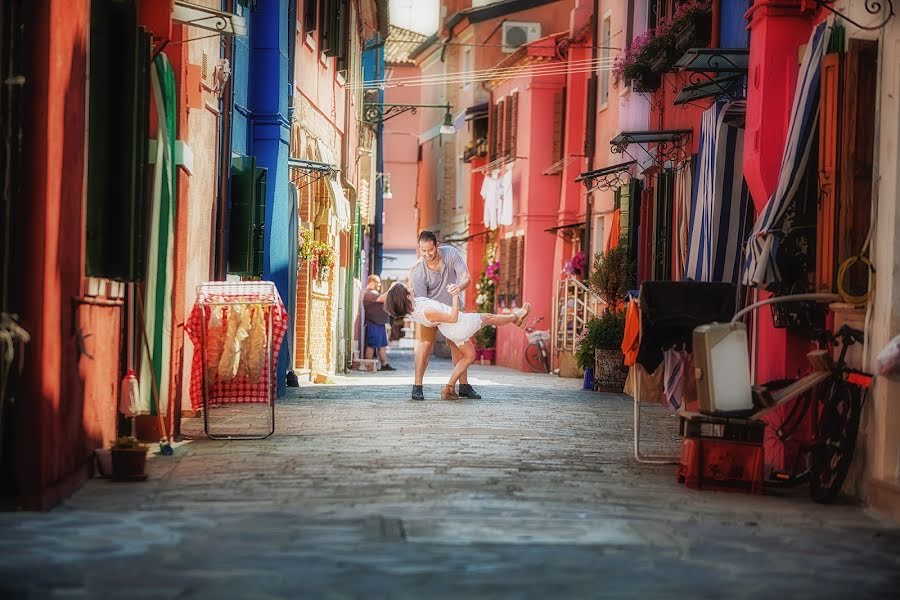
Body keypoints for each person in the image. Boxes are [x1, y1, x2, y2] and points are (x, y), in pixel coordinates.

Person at [384, 283, 531, 400]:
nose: (410, 287)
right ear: (407, 297)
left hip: (452, 330)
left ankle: (450, 388)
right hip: (458, 324)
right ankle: (517, 316)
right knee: (489, 317)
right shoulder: (425, 311)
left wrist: (395, 292)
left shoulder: (413, 308)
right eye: (407, 288)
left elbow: (394, 295)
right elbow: (453, 317)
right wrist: (455, 296)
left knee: (469, 355)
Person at [407, 230, 475, 401]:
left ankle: (464, 387)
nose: (427, 254)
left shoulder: (450, 253)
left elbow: (466, 276)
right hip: (431, 312)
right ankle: (417, 386)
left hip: (452, 308)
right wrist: (434, 317)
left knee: (457, 345)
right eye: (423, 251)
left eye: (430, 250)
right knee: (426, 344)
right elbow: (421, 301)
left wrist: (459, 288)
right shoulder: (418, 271)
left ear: (437, 245)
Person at [362, 274, 395, 371]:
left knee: (382, 345)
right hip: (373, 323)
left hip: (380, 323)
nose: (379, 284)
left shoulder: (374, 292)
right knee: (372, 345)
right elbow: (384, 298)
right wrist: (392, 288)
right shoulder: (369, 293)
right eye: (378, 282)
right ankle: (368, 365)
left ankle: (384, 365)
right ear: (372, 282)